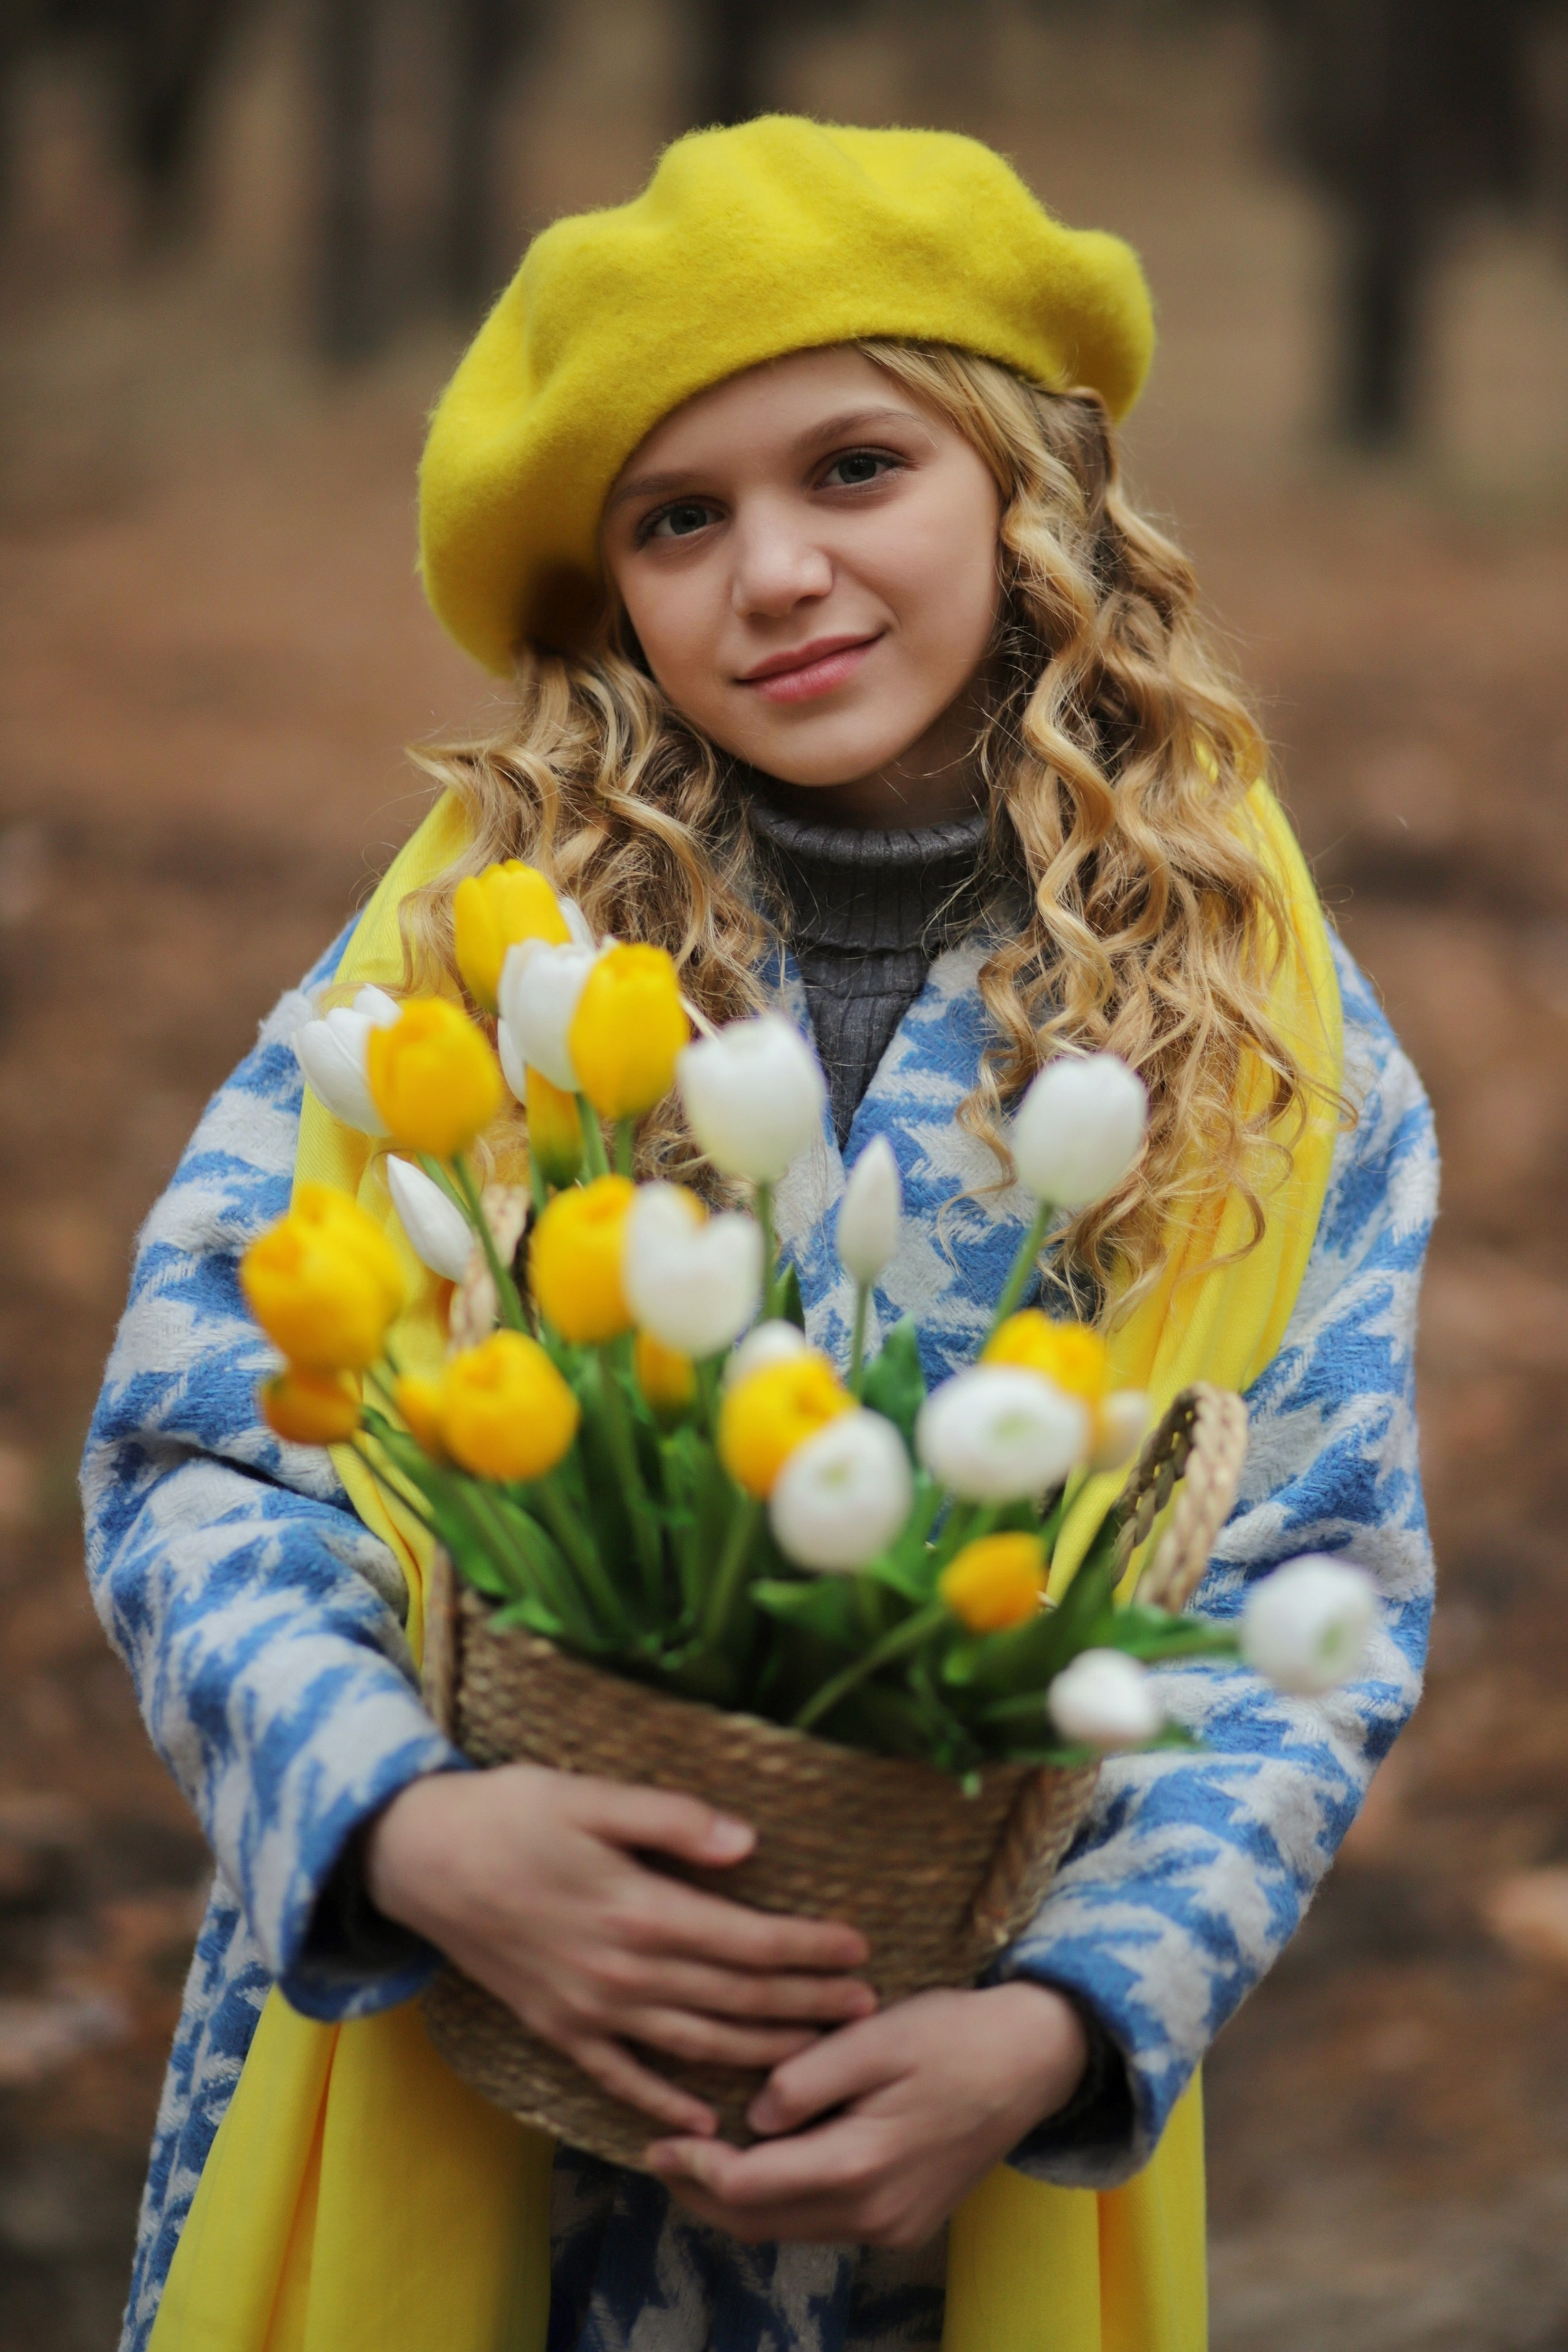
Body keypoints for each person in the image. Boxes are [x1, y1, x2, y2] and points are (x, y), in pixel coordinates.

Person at [83, 117, 1436, 2352]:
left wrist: (1066, 2026)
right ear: (608, 590)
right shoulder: (478, 958)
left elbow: (1318, 1584)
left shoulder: (1250, 1022)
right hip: (457, 2083)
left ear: (1030, 491)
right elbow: (204, 1440)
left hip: (926, 2162)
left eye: (856, 471)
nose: (777, 571)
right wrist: (400, 1824)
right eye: (680, 519)